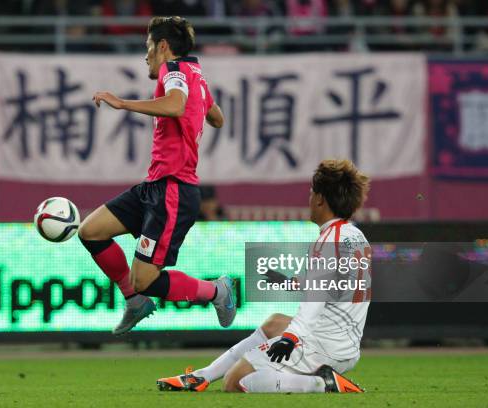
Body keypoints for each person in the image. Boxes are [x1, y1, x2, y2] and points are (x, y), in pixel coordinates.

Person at [157, 159, 371, 393]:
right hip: (347, 345)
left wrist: (290, 338)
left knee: (235, 382)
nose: (309, 200)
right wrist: (288, 282)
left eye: (311, 193)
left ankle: (323, 383)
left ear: (320, 199)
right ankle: (202, 376)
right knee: (274, 322)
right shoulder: (356, 237)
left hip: (323, 346)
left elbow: (315, 300)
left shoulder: (327, 242)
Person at [80, 16, 234, 336]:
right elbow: (217, 118)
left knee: (145, 280)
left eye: (149, 47)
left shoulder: (173, 70)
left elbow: (176, 105)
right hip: (154, 186)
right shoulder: (197, 77)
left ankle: (217, 291)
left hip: (174, 190)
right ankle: (134, 303)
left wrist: (122, 103)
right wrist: (199, 107)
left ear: (163, 47)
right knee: (90, 231)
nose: (146, 55)